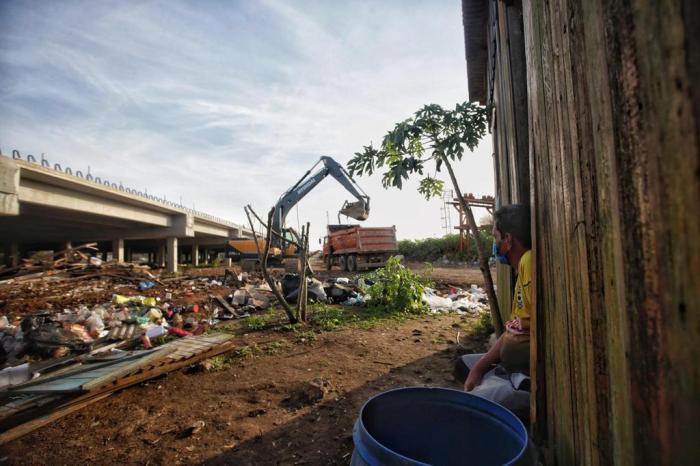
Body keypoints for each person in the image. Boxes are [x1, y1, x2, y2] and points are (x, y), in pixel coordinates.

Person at [458, 204, 532, 417]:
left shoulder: (528, 261)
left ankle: (513, 387)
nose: (495, 243)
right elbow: (513, 330)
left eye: (495, 236)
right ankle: (492, 379)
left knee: (467, 410)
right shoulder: (521, 272)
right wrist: (480, 366)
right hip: (508, 364)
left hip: (520, 373)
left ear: (508, 240)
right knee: (463, 366)